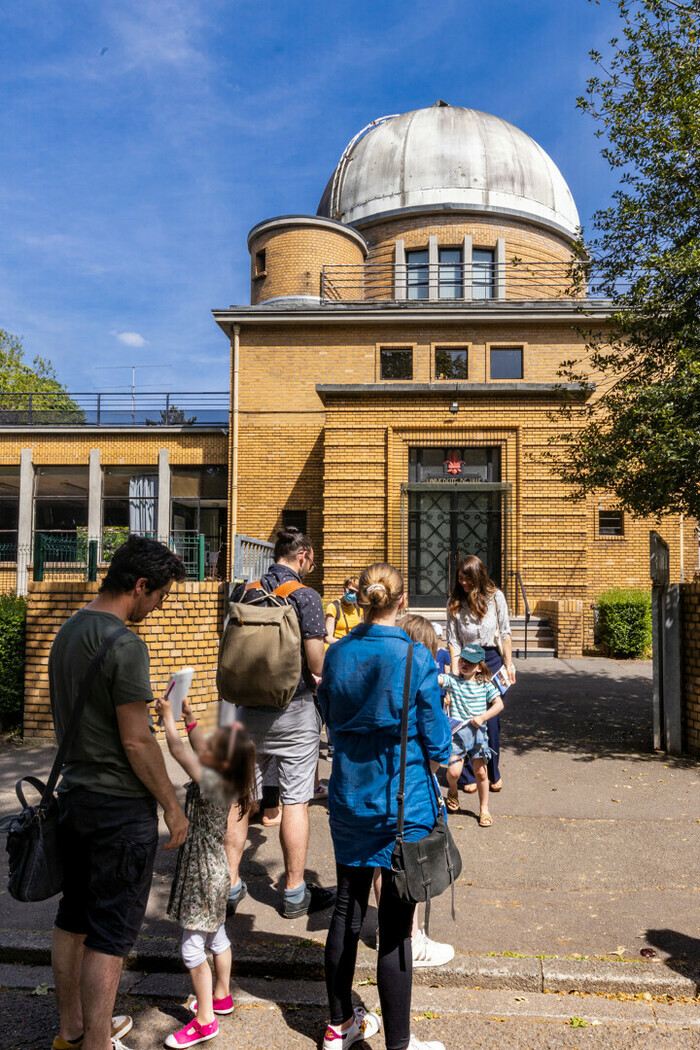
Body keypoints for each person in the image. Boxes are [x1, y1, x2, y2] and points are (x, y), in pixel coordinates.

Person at [49, 536, 189, 1050]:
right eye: (160, 597)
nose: (157, 607)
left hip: (75, 799)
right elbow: (135, 739)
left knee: (73, 918)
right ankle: (98, 1045)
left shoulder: (69, 632)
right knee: (110, 934)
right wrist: (173, 807)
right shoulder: (125, 643)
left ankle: (73, 1032)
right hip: (119, 808)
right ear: (140, 585)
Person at [318, 563, 451, 1050]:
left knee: (346, 913)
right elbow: (438, 744)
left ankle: (339, 1024)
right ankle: (399, 1043)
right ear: (402, 601)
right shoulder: (415, 657)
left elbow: (329, 713)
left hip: (351, 797)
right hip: (402, 803)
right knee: (395, 929)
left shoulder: (337, 654)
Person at [223, 526, 336, 919]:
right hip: (293, 709)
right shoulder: (305, 596)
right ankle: (292, 894)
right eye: (312, 558)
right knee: (295, 803)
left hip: (245, 709)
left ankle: (230, 886)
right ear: (302, 555)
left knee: (240, 799)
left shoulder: (242, 591)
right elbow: (317, 662)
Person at [156, 693, 256, 1048]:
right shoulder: (225, 778)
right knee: (216, 937)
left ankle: (205, 1020)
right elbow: (196, 747)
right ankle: (223, 995)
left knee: (192, 950)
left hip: (202, 874)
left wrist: (168, 718)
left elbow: (181, 752)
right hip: (215, 871)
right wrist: (190, 718)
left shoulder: (213, 782)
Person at [445, 555, 515, 794]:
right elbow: (453, 641)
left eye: (468, 578)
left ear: (478, 576)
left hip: (491, 660)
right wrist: (455, 675)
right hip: (465, 661)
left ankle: (492, 771)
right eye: (460, 578)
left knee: (490, 718)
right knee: (463, 716)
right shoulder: (454, 601)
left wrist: (509, 664)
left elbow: (505, 633)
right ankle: (466, 777)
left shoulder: (496, 597)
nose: (463, 582)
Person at [439, 645, 504, 827]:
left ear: (480, 667)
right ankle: (453, 790)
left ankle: (484, 809)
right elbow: (437, 680)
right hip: (458, 736)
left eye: (470, 661)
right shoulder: (452, 681)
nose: (464, 663)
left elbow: (499, 705)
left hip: (478, 736)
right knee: (453, 772)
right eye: (462, 660)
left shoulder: (485, 684)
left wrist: (483, 716)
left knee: (482, 774)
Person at [325, 576, 362, 643]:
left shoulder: (358, 608)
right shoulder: (333, 607)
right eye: (351, 591)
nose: (354, 595)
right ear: (344, 588)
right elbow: (328, 638)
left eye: (357, 593)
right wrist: (346, 642)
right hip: (338, 647)